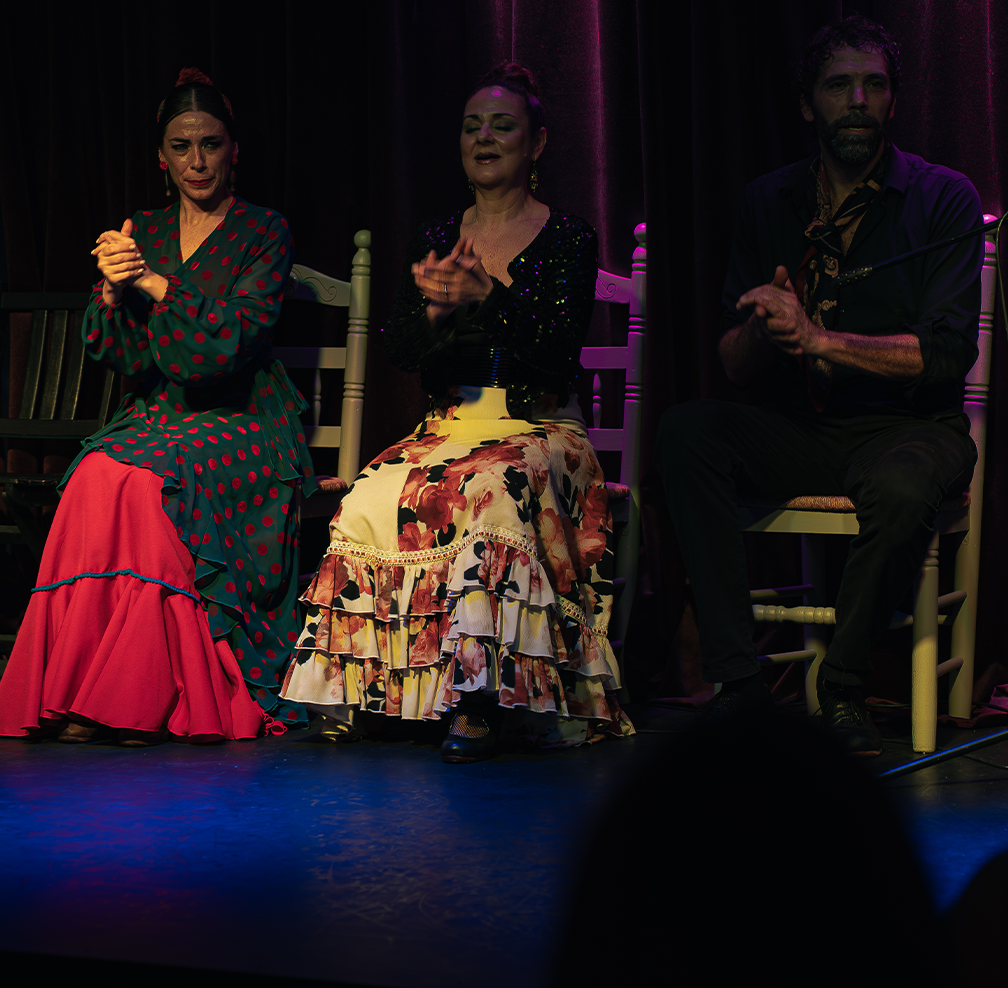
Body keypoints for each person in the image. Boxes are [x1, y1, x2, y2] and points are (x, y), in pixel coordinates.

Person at [280, 63, 632, 761]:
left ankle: (477, 697)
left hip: (539, 428)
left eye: (503, 126)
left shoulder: (566, 238)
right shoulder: (438, 234)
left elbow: (553, 352)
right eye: (473, 126)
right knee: (371, 493)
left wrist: (487, 298)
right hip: (450, 429)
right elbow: (405, 351)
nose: (485, 137)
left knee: (492, 487)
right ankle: (372, 690)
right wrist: (437, 309)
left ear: (536, 143)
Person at [655, 16, 983, 756]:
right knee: (686, 430)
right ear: (809, 105)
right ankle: (738, 688)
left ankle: (843, 690)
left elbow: (946, 355)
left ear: (893, 102)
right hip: (798, 427)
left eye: (874, 85)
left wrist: (820, 337)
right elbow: (735, 367)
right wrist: (763, 326)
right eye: (840, 86)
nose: (858, 99)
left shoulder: (944, 197)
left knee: (902, 489)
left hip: (907, 429)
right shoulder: (768, 201)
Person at [0, 68, 315, 744]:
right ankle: (80, 691)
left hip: (245, 420)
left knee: (148, 483)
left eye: (210, 144)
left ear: (235, 151)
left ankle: (144, 698)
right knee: (91, 476)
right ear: (161, 157)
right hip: (159, 417)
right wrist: (113, 294)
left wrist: (149, 280)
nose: (197, 161)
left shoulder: (264, 231)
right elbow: (126, 357)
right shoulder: (145, 227)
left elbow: (220, 352)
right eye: (181, 146)